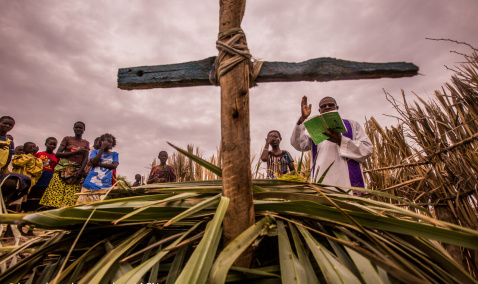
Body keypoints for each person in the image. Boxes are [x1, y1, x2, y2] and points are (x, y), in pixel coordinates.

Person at [290, 96, 372, 194]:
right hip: (323, 183)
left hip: (348, 184)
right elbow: (297, 144)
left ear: (337, 107)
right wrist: (302, 119)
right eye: (323, 106)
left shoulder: (352, 125)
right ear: (319, 111)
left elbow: (367, 149)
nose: (327, 107)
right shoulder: (315, 130)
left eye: (331, 105)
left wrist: (341, 141)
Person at [40, 122, 90, 208]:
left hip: (76, 170)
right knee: (56, 190)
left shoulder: (86, 143)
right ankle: (52, 210)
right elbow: (58, 154)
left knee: (70, 194)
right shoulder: (67, 139)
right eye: (76, 127)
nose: (78, 129)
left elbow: (85, 158)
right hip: (62, 168)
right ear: (73, 128)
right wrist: (77, 152)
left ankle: (65, 212)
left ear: (84, 130)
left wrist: (81, 170)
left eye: (81, 128)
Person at [78, 133, 119, 203]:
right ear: (102, 142)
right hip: (90, 184)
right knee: (83, 206)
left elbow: (114, 166)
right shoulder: (95, 152)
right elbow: (94, 161)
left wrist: (98, 164)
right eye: (107, 141)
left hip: (105, 186)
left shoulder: (114, 154)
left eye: (111, 142)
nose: (109, 144)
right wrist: (102, 148)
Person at [23, 137, 58, 212]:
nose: (52, 146)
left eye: (54, 145)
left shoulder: (56, 157)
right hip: (38, 176)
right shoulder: (39, 154)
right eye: (50, 144)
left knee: (42, 194)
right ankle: (28, 209)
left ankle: (39, 210)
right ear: (46, 144)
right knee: (33, 192)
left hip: (48, 178)